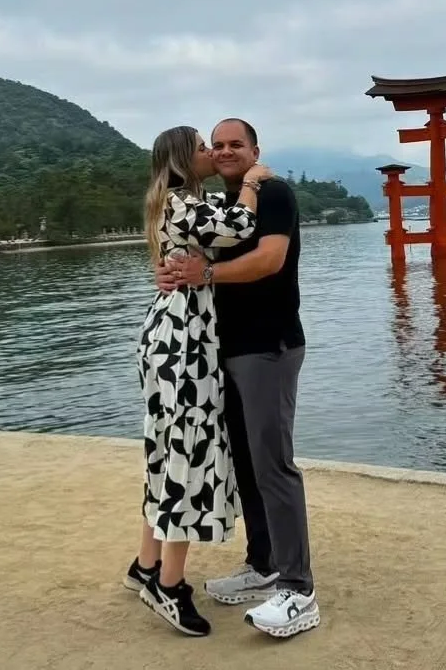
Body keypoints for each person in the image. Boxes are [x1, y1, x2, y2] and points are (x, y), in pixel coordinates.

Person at [157, 118, 320, 639]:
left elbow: (269, 260)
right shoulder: (221, 206)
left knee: (274, 464)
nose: (225, 151)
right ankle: (264, 562)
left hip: (267, 347)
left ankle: (299, 588)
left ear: (255, 150)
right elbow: (191, 257)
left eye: (235, 145)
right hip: (222, 350)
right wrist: (174, 271)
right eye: (217, 144)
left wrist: (204, 273)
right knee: (245, 463)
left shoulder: (272, 193)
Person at [126, 124, 272, 638]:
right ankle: (169, 584)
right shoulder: (184, 201)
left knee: (167, 451)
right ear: (184, 159)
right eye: (204, 147)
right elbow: (239, 228)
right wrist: (253, 180)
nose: (214, 153)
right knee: (189, 454)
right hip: (183, 345)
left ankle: (146, 564)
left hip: (171, 336)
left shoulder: (177, 200)